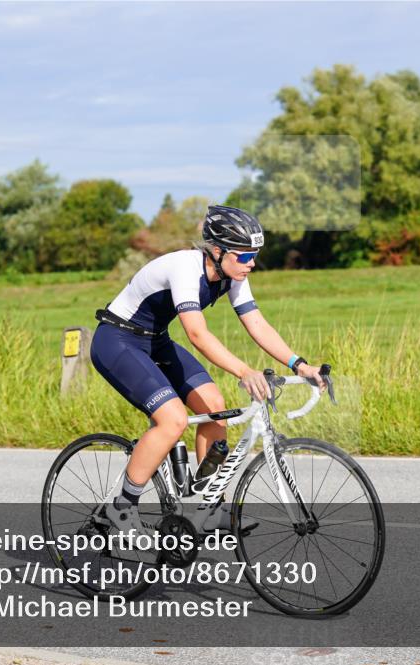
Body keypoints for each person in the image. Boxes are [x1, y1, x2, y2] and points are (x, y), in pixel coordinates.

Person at [90, 205, 327, 534]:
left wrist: (299, 365)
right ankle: (121, 508)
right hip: (117, 342)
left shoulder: (232, 276)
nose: (252, 263)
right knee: (172, 419)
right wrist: (244, 371)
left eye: (254, 255)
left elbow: (256, 324)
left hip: (155, 341)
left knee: (216, 408)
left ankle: (208, 507)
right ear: (218, 251)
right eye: (245, 256)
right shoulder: (186, 268)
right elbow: (197, 334)